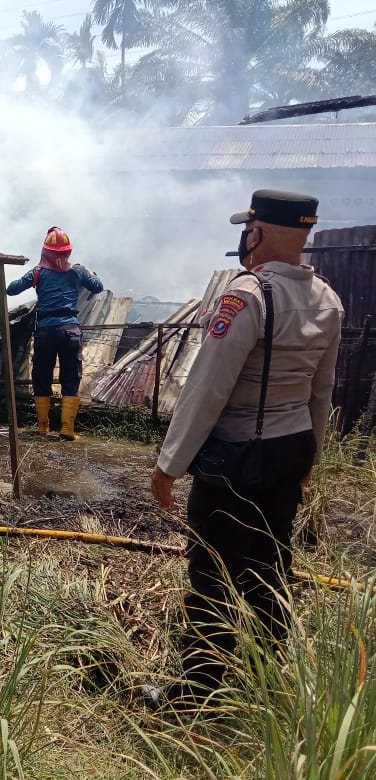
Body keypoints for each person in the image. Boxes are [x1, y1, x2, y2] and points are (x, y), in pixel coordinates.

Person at [147, 189, 343, 710]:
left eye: (248, 228)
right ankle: (261, 682)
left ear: (257, 233)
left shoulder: (247, 296)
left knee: (214, 571)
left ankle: (198, 694)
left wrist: (170, 462)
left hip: (237, 460)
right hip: (291, 451)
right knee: (270, 565)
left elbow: (207, 387)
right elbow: (320, 393)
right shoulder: (327, 299)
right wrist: (311, 458)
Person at [6, 227, 103, 440]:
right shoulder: (78, 271)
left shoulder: (38, 272)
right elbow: (98, 286)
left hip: (46, 331)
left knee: (42, 376)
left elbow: (11, 289)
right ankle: (67, 429)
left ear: (46, 250)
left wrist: (30, 276)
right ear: (68, 251)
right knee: (71, 376)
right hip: (70, 330)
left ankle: (43, 427)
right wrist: (90, 272)